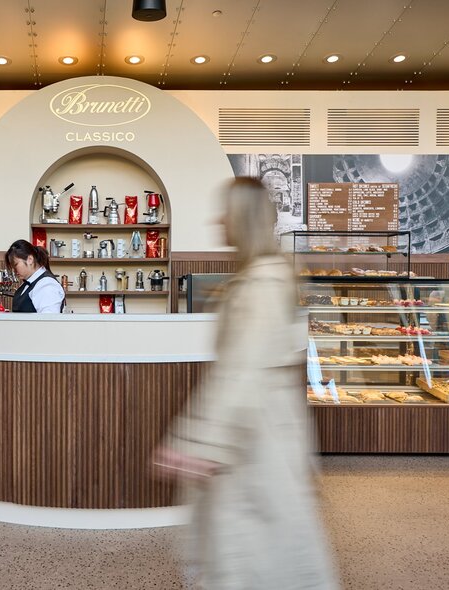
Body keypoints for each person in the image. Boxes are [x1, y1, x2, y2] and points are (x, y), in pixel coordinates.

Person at [153, 178, 337, 589]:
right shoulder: (263, 276)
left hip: (256, 436)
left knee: (256, 548)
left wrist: (201, 442)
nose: (217, 220)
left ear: (241, 219)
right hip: (261, 427)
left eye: (225, 212)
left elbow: (242, 372)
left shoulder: (262, 284)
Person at [5, 239, 66, 313]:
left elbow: (48, 321)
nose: (14, 270)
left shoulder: (46, 284)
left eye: (15, 265)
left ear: (30, 259)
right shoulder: (28, 283)